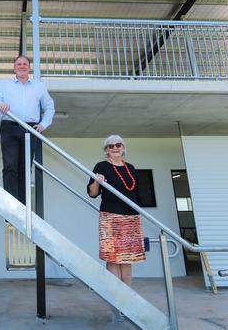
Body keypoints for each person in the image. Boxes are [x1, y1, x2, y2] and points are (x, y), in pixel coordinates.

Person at [87, 135, 145, 322]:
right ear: (106, 150)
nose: (114, 148)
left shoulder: (131, 168)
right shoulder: (101, 167)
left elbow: (135, 192)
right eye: (110, 146)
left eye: (118, 145)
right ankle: (116, 303)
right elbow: (92, 193)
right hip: (111, 217)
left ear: (123, 147)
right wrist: (97, 181)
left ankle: (126, 301)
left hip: (131, 218)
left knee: (126, 261)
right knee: (113, 259)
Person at [0, 55, 55, 204]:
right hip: (9, 126)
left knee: (26, 169)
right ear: (14, 68)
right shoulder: (4, 84)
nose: (22, 66)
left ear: (29, 67)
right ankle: (11, 204)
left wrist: (43, 124)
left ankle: (22, 205)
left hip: (30, 129)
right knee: (10, 166)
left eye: (25, 64)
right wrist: (0, 105)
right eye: (18, 64)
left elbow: (49, 106)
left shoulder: (38, 85)